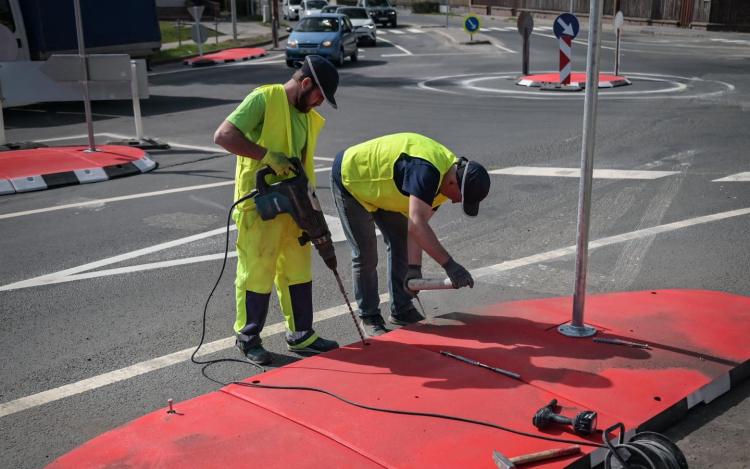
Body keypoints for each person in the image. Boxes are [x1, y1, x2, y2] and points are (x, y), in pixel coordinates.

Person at [213, 56, 340, 365]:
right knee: (257, 274)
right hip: (261, 207)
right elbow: (224, 136)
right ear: (306, 83)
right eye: (319, 96)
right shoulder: (264, 99)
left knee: (298, 271)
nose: (320, 104)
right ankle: (248, 337)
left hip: (297, 209)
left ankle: (302, 335)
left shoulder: (307, 115)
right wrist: (266, 155)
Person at [330, 133, 491, 337]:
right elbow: (417, 226)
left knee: (399, 243)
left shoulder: (445, 182)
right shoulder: (427, 171)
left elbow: (416, 229)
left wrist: (414, 268)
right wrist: (450, 265)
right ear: (453, 183)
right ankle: (369, 317)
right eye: (461, 198)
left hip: (384, 188)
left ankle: (402, 310)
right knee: (366, 253)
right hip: (353, 180)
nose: (457, 202)